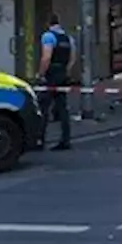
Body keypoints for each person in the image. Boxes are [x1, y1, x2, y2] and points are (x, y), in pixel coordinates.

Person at [37, 13, 77, 151]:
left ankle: (39, 139)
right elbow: (72, 58)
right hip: (62, 75)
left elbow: (46, 58)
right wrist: (66, 71)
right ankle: (66, 140)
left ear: (48, 23)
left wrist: (41, 74)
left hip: (51, 75)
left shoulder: (48, 36)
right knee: (62, 107)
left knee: (43, 107)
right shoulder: (68, 38)